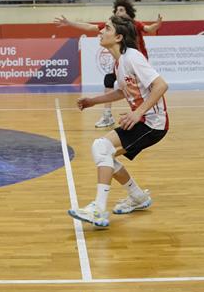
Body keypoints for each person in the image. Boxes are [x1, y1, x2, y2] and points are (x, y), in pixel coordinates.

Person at [69, 16, 169, 229]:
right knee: (104, 153)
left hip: (152, 124)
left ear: (118, 37)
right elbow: (123, 92)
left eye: (107, 28)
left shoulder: (133, 57)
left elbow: (161, 85)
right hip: (143, 120)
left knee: (101, 147)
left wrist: (137, 113)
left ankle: (98, 209)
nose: (101, 31)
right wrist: (93, 101)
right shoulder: (119, 62)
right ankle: (137, 197)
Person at [54, 0, 162, 129]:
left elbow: (150, 29)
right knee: (112, 82)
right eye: (116, 10)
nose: (118, 12)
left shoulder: (135, 27)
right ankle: (109, 115)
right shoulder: (112, 28)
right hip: (125, 61)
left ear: (128, 12)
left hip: (137, 63)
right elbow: (90, 27)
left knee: (144, 88)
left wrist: (157, 24)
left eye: (121, 10)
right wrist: (69, 23)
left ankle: (146, 116)